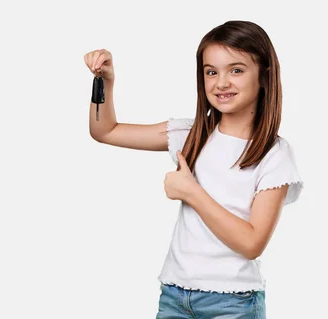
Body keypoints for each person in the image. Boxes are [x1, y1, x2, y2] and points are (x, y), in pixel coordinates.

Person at [83, 20, 303, 319]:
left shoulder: (273, 154)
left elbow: (252, 244)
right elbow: (105, 131)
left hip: (232, 305)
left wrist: (191, 192)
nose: (221, 82)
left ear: (264, 76)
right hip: (174, 296)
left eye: (236, 70)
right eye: (211, 71)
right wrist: (105, 81)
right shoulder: (190, 135)